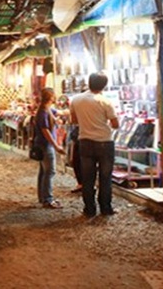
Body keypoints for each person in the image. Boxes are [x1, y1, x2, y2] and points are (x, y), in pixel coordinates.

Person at [70, 72, 119, 217]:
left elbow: (74, 120)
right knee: (105, 177)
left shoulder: (76, 100)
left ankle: (89, 209)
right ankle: (105, 208)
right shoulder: (105, 101)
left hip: (85, 141)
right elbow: (115, 124)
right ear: (104, 85)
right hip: (104, 142)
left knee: (87, 177)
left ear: (89, 82)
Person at [33, 88, 66, 209]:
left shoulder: (47, 110)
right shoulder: (43, 112)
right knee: (50, 171)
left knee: (43, 171)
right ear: (51, 97)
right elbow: (45, 130)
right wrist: (56, 145)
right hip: (45, 145)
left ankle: (43, 197)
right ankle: (47, 199)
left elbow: (60, 113)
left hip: (43, 144)